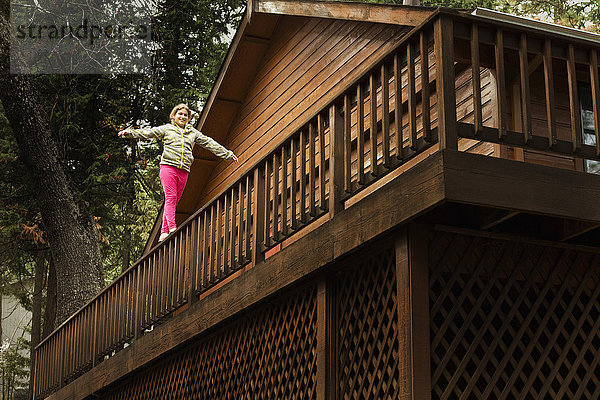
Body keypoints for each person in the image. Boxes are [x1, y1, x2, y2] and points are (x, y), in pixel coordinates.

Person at [118, 103, 238, 242]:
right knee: (170, 197)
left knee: (174, 202)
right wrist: (130, 133)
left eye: (185, 115)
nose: (182, 117)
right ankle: (173, 228)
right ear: (174, 116)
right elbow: (148, 133)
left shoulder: (193, 133)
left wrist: (227, 154)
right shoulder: (167, 129)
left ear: (188, 118)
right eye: (180, 114)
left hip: (184, 171)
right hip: (168, 167)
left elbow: (209, 143)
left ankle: (163, 231)